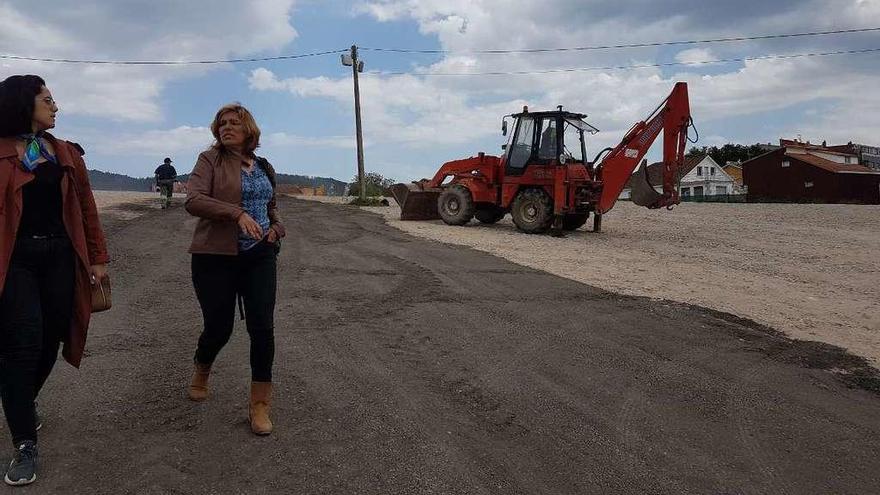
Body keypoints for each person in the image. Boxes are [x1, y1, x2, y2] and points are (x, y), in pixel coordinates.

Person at [0, 75, 109, 485]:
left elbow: (86, 207)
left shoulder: (64, 152)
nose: (56, 106)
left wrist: (98, 257)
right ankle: (25, 443)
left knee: (52, 339)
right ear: (23, 103)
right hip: (15, 261)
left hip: (62, 256)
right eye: (48, 99)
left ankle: (19, 398)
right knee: (23, 343)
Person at [184, 102, 285, 435]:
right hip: (215, 256)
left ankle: (259, 405)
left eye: (233, 123)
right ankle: (202, 366)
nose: (226, 127)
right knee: (219, 327)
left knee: (262, 328)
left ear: (248, 129)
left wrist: (275, 228)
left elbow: (271, 207)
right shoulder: (209, 160)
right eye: (222, 123)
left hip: (260, 255)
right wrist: (236, 214)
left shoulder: (263, 165)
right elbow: (193, 199)